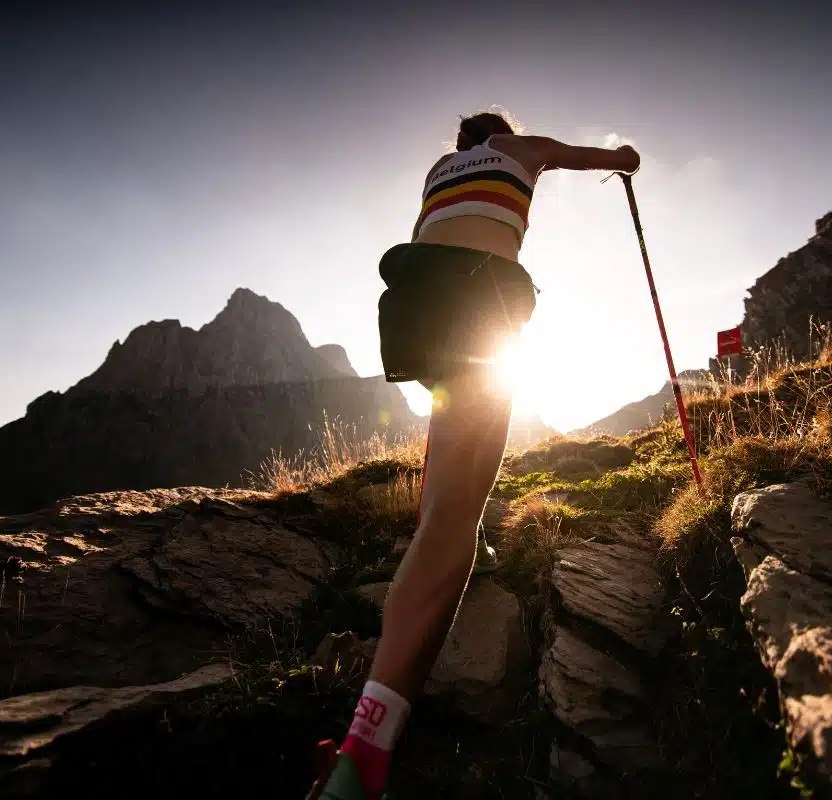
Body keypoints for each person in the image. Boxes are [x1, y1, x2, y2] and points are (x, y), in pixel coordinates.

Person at [307, 111, 640, 800]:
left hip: (411, 304)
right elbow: (612, 156)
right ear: (501, 132)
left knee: (452, 444)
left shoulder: (440, 170)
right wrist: (627, 159)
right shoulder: (523, 148)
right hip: (474, 296)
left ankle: (469, 532)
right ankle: (360, 762)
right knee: (447, 524)